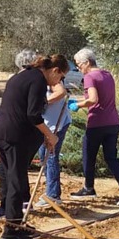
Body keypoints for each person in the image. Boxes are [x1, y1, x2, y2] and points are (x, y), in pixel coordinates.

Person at [0, 50, 61, 239]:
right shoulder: (38, 80)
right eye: (60, 76)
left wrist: (44, 136)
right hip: (14, 135)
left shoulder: (21, 75)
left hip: (1, 131)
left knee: (17, 178)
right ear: (54, 70)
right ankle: (11, 231)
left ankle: (17, 223)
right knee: (15, 180)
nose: (57, 82)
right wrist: (50, 135)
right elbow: (33, 115)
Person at [71, 48, 119, 206]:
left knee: (88, 154)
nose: (78, 69)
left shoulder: (90, 77)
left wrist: (77, 105)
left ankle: (88, 187)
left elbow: (93, 99)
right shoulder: (107, 74)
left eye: (78, 65)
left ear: (87, 63)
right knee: (111, 157)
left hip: (97, 122)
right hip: (113, 122)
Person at [33, 54, 73, 208]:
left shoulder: (55, 81)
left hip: (57, 124)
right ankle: (51, 192)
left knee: (50, 157)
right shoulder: (43, 78)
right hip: (47, 124)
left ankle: (53, 195)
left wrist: (42, 103)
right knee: (45, 156)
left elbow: (61, 93)